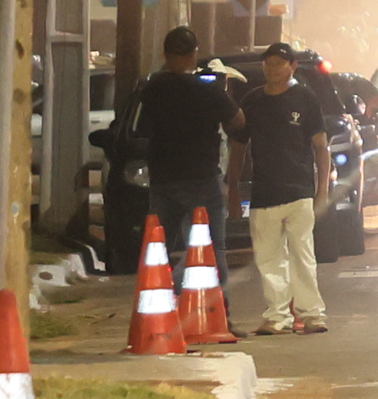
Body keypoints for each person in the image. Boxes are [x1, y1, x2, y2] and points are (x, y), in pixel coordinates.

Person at [230, 47, 332, 334]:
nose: (272, 68)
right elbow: (238, 147)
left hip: (300, 191)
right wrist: (233, 189)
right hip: (264, 193)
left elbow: (321, 147)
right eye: (268, 63)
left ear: (293, 66)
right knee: (268, 259)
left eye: (279, 63)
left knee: (303, 256)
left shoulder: (305, 98)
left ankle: (312, 315)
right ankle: (277, 317)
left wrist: (322, 191)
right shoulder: (252, 101)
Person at [130, 27, 231, 296]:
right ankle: (219, 312)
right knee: (211, 246)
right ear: (194, 55)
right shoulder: (207, 91)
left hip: (163, 179)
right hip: (202, 177)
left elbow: (142, 130)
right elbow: (238, 119)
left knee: (157, 246)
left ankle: (152, 306)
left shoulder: (152, 90)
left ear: (165, 54)